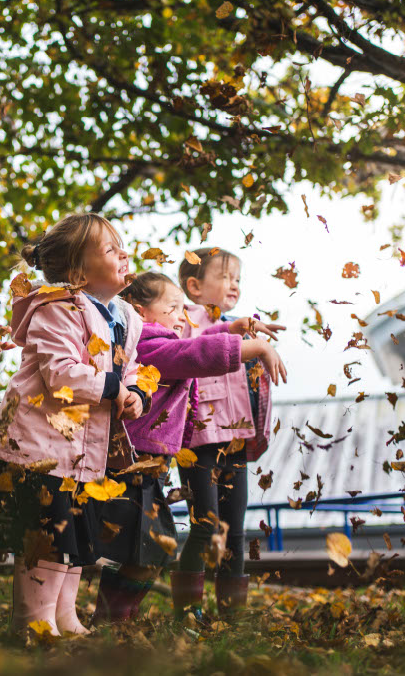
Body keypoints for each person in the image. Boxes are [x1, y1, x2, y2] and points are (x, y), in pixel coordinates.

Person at [93, 272, 286, 623]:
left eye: (184, 309)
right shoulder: (146, 344)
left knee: (149, 548)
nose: (182, 317)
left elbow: (191, 341)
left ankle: (115, 621)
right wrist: (257, 347)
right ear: (140, 312)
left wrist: (229, 328)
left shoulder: (157, 338)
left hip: (149, 462)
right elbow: (193, 352)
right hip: (136, 462)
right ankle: (112, 621)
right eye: (173, 308)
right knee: (148, 546)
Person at [0, 213, 148, 636]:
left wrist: (134, 392)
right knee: (46, 540)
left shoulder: (125, 317)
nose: (124, 254)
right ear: (78, 272)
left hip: (82, 453)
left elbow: (129, 367)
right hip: (40, 447)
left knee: (74, 540)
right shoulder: (58, 308)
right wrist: (113, 388)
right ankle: (33, 621)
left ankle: (64, 616)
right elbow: (60, 373)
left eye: (121, 246)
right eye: (111, 249)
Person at [173, 248, 287, 619]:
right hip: (198, 442)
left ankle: (231, 616)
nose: (234, 284)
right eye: (224, 277)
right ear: (194, 286)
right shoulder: (184, 321)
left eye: (237, 278)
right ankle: (188, 613)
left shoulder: (241, 325)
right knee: (205, 526)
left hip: (235, 439)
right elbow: (186, 354)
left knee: (234, 530)